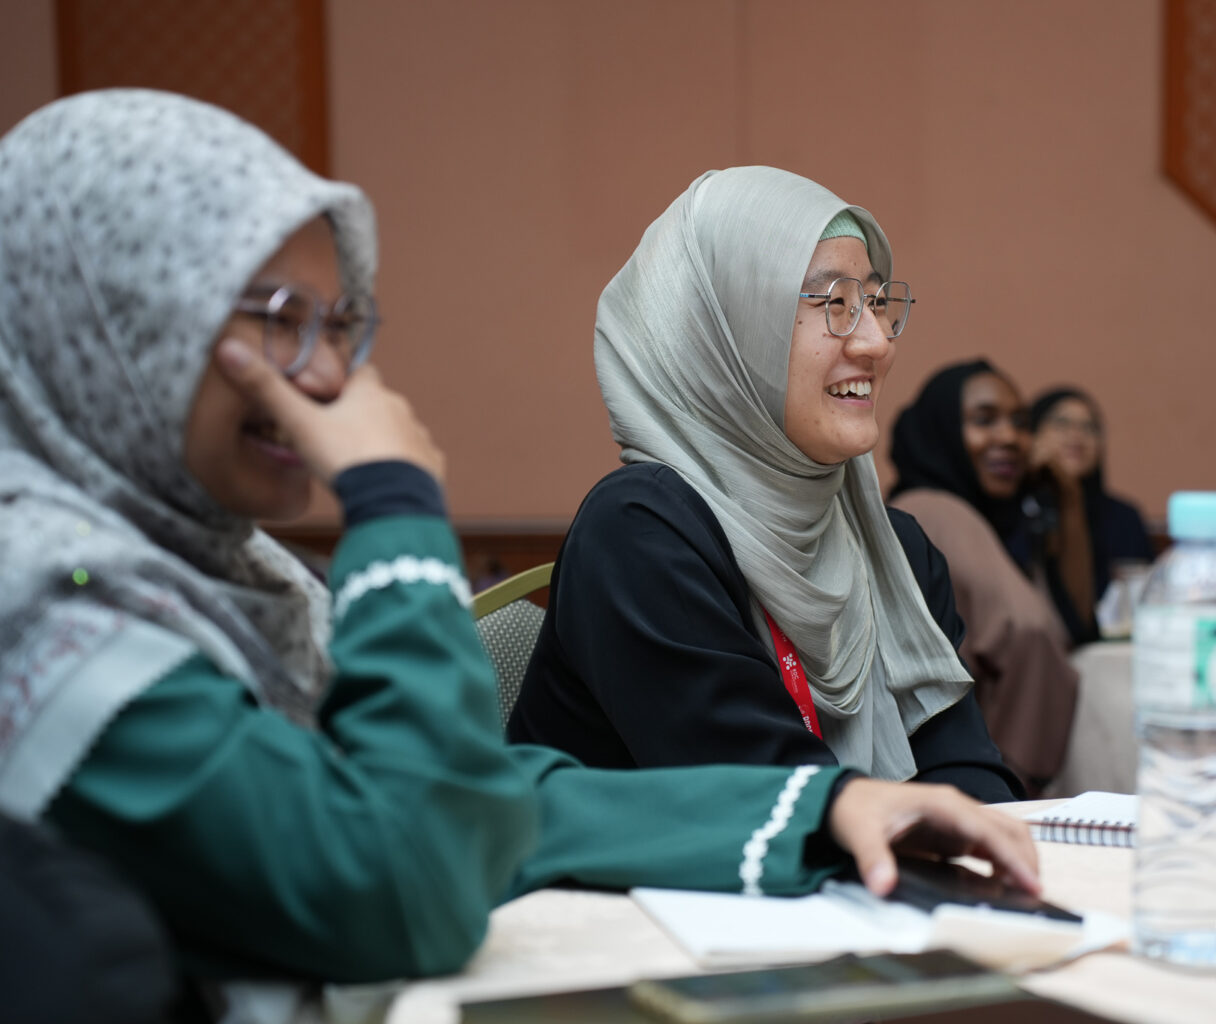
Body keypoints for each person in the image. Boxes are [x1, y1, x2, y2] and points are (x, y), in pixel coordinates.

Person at [0, 92, 1040, 1010]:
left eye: (340, 322)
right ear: (98, 325)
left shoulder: (233, 577)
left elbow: (488, 805)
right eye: (278, 321)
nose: (324, 378)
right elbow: (410, 878)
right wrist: (393, 509)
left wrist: (830, 807)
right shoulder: (44, 619)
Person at [509, 167, 1022, 804]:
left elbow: (970, 778)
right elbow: (768, 805)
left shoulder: (898, 552)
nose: (875, 342)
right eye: (833, 303)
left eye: (874, 302)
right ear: (727, 333)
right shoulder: (638, 537)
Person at [887, 360, 1079, 791]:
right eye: (984, 420)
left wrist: (1064, 499)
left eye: (1021, 423)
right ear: (940, 430)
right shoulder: (939, 510)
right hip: (975, 780)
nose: (1009, 437)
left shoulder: (983, 519)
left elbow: (1075, 623)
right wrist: (1015, 777)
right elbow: (1030, 630)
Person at [1017, 387, 1154, 645]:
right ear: (1032, 433)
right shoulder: (1014, 509)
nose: (1076, 436)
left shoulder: (1123, 517)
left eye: (1089, 427)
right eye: (1062, 423)